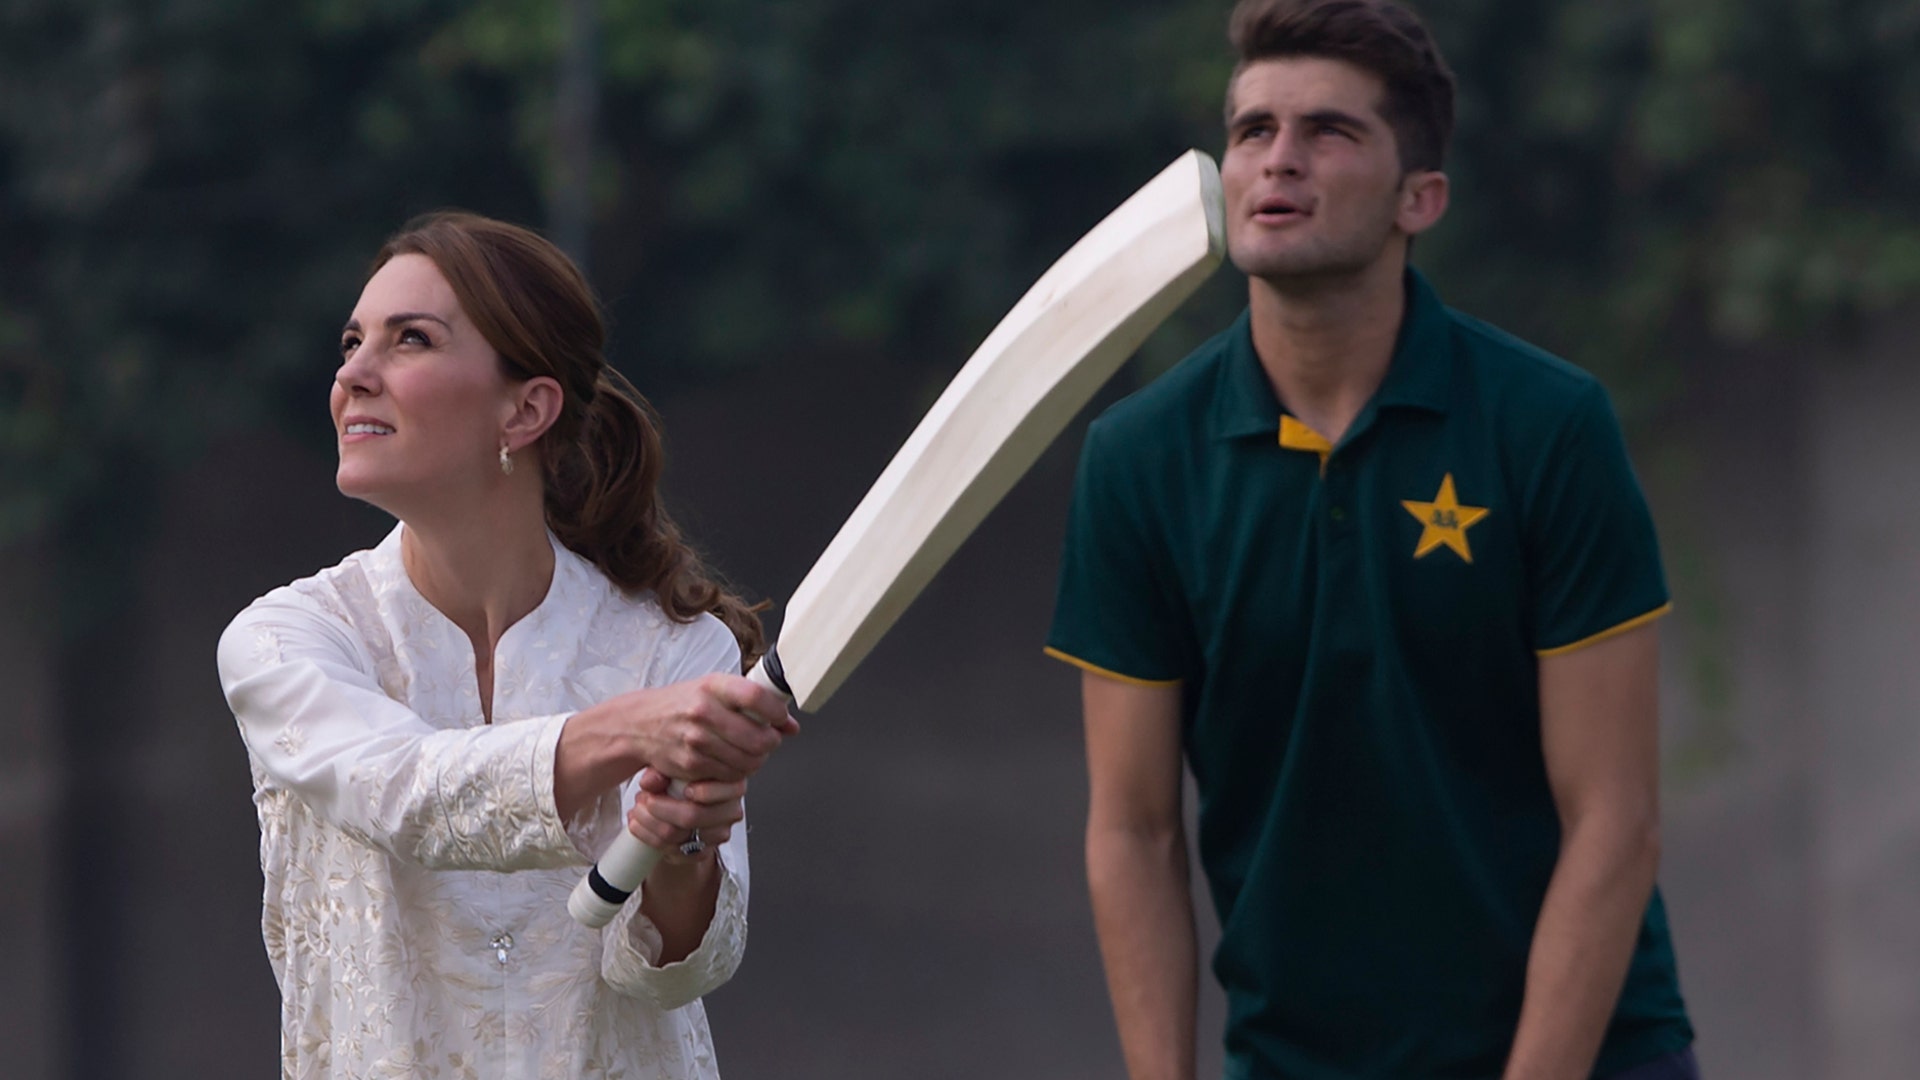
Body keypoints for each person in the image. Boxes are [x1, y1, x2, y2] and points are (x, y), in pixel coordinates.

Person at [1044, 2, 1698, 1077]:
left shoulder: (1549, 426)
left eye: (1329, 131)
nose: (1278, 159)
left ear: (1418, 198)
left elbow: (1614, 820)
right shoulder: (1139, 458)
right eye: (1253, 130)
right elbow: (1133, 830)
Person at [216, 211, 799, 1079]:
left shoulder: (679, 651)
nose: (352, 375)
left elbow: (680, 974)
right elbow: (407, 793)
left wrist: (682, 847)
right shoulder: (283, 640)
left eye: (410, 339)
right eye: (352, 342)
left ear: (526, 409)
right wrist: (631, 731)